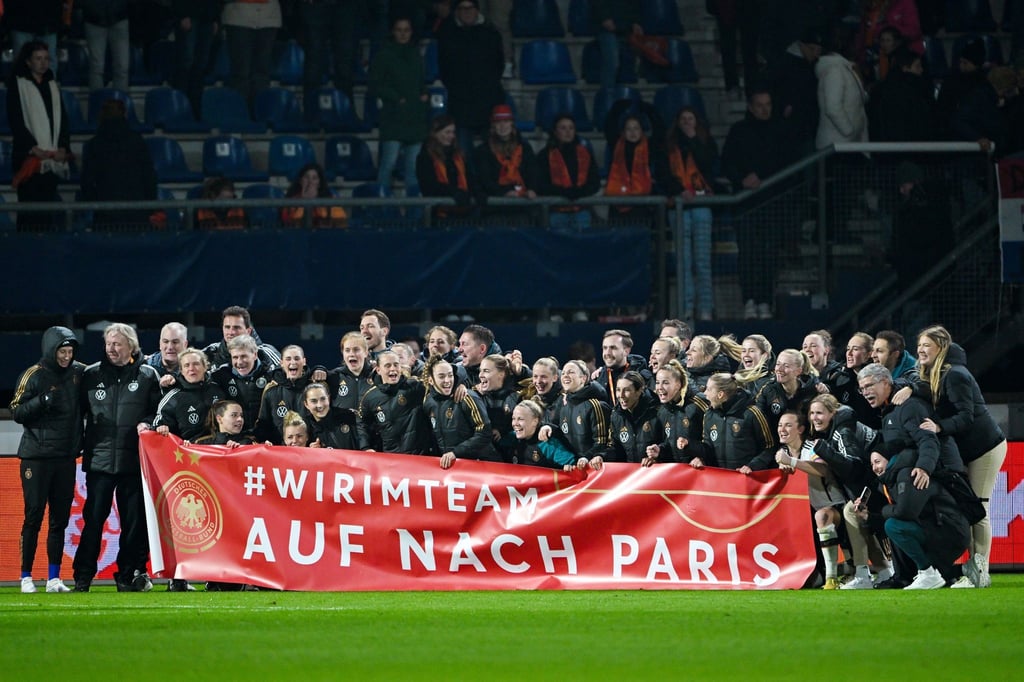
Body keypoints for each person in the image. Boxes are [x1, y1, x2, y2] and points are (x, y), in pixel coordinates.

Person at [902, 326, 1008, 588]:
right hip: (968, 449)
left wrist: (939, 427)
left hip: (985, 447)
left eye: (927, 345)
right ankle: (972, 569)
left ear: (941, 346)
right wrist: (911, 389)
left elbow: (966, 416)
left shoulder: (956, 375)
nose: (920, 350)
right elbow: (927, 391)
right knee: (966, 506)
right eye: (919, 346)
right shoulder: (935, 374)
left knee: (978, 508)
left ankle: (980, 572)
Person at [74, 323, 162, 592]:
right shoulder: (91, 375)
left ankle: (128, 575)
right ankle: (83, 576)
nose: (111, 349)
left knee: (133, 524)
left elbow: (158, 413)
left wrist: (147, 423)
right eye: (109, 344)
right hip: (99, 461)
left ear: (131, 347)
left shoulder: (148, 375)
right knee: (93, 521)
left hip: (134, 463)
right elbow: (77, 414)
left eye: (117, 344)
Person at [10, 327, 84, 593]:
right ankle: (26, 577)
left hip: (65, 457)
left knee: (60, 520)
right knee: (33, 516)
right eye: (62, 352)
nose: (66, 357)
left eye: (70, 351)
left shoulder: (79, 372)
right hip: (36, 458)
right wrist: (40, 402)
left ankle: (54, 578)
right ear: (50, 350)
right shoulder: (34, 375)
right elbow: (16, 411)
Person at [862, 449, 970, 590]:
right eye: (872, 464)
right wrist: (868, 517)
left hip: (949, 532)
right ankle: (965, 570)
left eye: (877, 462)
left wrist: (884, 511)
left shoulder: (908, 475)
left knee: (893, 526)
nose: (875, 468)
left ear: (890, 460)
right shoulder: (890, 481)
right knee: (893, 525)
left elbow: (905, 512)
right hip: (940, 529)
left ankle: (928, 573)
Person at [774, 410, 848, 588]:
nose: (782, 429)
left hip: (837, 505)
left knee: (821, 516)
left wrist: (792, 462)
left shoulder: (813, 447)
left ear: (800, 429)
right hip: (810, 509)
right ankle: (814, 572)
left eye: (788, 425)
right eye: (779, 425)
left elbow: (823, 470)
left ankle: (832, 577)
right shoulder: (782, 453)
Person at [657, 106, 718, 321]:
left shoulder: (706, 142)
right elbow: (662, 173)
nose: (687, 122)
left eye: (690, 118)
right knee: (684, 260)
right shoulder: (668, 147)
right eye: (683, 119)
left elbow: (709, 165)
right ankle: (686, 309)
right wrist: (678, 191)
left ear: (697, 121)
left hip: (701, 206)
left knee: (702, 260)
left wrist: (694, 141)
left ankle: (706, 309)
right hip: (679, 206)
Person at [6, 40, 71, 232]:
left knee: (45, 214)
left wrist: (62, 146)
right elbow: (16, 120)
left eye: (46, 59)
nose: (43, 63)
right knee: (29, 213)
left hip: (50, 160)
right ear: (28, 62)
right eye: (38, 59)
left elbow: (62, 120)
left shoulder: (52, 85)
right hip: (28, 158)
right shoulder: (18, 85)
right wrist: (33, 147)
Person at [436, 0, 506, 161]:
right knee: (463, 158)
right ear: (457, 12)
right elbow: (444, 68)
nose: (467, 12)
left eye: (470, 8)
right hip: (461, 106)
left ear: (477, 10)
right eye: (462, 8)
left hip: (488, 103)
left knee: (493, 158)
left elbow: (498, 65)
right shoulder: (447, 34)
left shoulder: (490, 33)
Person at [369, 15, 429, 191]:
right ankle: (381, 208)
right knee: (388, 165)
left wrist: (424, 94)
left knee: (413, 170)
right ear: (393, 32)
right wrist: (396, 98)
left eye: (406, 30)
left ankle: (415, 213)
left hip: (415, 119)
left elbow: (421, 81)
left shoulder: (416, 54)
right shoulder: (384, 56)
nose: (403, 34)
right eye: (399, 30)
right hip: (393, 118)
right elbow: (374, 85)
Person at [79, 99, 158, 231]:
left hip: (105, 215)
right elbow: (149, 177)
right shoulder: (137, 141)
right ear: (125, 114)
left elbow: (87, 182)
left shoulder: (93, 144)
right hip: (137, 214)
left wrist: (97, 203)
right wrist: (149, 207)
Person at [421, 355, 501, 468]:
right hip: (452, 468)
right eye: (441, 376)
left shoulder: (466, 397)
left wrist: (455, 453)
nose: (447, 380)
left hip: (480, 465)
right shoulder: (428, 402)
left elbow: (484, 432)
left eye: (450, 375)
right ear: (431, 380)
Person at [694, 372, 776, 473]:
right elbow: (707, 447)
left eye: (709, 389)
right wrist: (701, 458)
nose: (705, 393)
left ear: (720, 395)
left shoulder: (751, 413)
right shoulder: (709, 415)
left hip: (745, 480)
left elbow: (769, 447)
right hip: (718, 480)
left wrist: (752, 466)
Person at [357, 350, 432, 453]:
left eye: (396, 365)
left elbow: (440, 386)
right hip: (391, 459)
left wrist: (460, 383)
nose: (393, 369)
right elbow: (362, 424)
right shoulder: (370, 397)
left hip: (420, 457)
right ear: (378, 370)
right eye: (387, 365)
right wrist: (365, 447)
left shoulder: (416, 387)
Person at [537, 114, 601, 231]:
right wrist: (564, 193)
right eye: (563, 128)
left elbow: (594, 181)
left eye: (571, 128)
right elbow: (540, 184)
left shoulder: (585, 153)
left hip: (582, 211)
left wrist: (579, 192)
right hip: (556, 212)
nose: (568, 132)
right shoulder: (544, 155)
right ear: (555, 132)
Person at [297, 0, 360, 115]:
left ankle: (346, 111)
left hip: (345, 6)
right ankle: (310, 112)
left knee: (344, 63)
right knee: (314, 62)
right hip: (315, 6)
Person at [474, 104, 539, 215]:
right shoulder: (483, 150)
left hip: (523, 207)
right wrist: (504, 193)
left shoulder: (525, 148)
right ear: (493, 126)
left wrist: (532, 189)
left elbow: (533, 173)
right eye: (498, 122)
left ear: (512, 124)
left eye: (506, 121)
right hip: (494, 208)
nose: (502, 126)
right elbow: (485, 179)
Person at [603, 101, 661, 222]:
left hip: (641, 202)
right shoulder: (617, 144)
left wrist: (649, 110)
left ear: (641, 131)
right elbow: (609, 127)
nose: (633, 132)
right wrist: (617, 108)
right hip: (618, 201)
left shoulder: (649, 146)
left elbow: (660, 130)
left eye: (636, 128)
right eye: (628, 129)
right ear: (623, 132)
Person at [867, 47, 937, 142]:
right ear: (905, 68)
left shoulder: (880, 88)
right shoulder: (916, 89)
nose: (921, 70)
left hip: (884, 147)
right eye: (918, 66)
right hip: (911, 146)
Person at [154, 348, 225, 442]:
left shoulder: (218, 389)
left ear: (205, 367)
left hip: (220, 449)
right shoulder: (174, 397)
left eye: (196, 364)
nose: (191, 368)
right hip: (191, 453)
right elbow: (159, 422)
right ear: (181, 371)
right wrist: (160, 427)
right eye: (187, 365)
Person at [646, 360, 708, 467]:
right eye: (657, 382)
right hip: (678, 473)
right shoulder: (662, 410)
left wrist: (703, 458)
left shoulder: (698, 405)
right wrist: (660, 450)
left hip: (700, 471)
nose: (659, 387)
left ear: (678, 385)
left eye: (665, 383)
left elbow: (714, 442)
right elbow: (669, 444)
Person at [770, 29, 822, 155]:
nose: (816, 54)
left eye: (819, 51)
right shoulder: (785, 63)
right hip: (792, 126)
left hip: (806, 126)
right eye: (813, 49)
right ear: (802, 46)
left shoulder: (812, 65)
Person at [221, 0, 281, 107]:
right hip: (238, 17)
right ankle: (240, 114)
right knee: (241, 73)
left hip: (269, 18)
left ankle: (260, 113)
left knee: (262, 74)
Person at [210, 334, 275, 433]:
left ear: (255, 355)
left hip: (265, 439)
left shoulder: (271, 375)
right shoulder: (221, 376)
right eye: (235, 357)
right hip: (235, 440)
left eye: (243, 356)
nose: (239, 362)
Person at [416, 114, 475, 220]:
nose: (451, 136)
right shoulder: (425, 157)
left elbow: (470, 178)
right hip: (439, 217)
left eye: (453, 132)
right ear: (436, 133)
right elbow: (429, 186)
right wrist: (454, 193)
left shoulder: (458, 156)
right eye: (447, 132)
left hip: (463, 214)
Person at [170, 0, 223, 118]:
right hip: (190, 13)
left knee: (200, 65)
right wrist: (182, 14)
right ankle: (180, 107)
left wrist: (215, 17)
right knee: (186, 62)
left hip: (208, 16)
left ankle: (195, 108)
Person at [254, 344, 314, 444]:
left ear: (304, 362)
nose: (293, 362)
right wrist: (264, 442)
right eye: (288, 359)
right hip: (280, 454)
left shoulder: (314, 389)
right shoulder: (271, 392)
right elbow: (263, 426)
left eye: (296, 358)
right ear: (281, 363)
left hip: (310, 452)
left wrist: (319, 442)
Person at [556, 359, 612, 467]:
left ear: (583, 378)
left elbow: (602, 443)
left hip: (594, 470)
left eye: (571, 372)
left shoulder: (596, 405)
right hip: (574, 468)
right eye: (563, 373)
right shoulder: (564, 405)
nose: (565, 376)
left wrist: (585, 458)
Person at [814, 44, 868, 150]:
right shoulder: (835, 71)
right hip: (837, 144)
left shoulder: (846, 69)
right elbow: (832, 107)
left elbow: (859, 98)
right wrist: (849, 131)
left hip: (847, 142)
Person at [755, 348, 820, 432]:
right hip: (777, 441)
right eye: (778, 364)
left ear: (798, 371)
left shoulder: (812, 390)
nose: (779, 369)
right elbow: (758, 420)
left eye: (786, 366)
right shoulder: (768, 390)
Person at [202, 306, 281, 372]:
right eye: (227, 327)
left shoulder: (266, 354)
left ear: (248, 331)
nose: (231, 332)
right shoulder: (211, 352)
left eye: (236, 327)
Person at [608, 371, 660, 465]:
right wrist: (600, 456)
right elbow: (615, 448)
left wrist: (657, 458)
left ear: (639, 391)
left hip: (655, 474)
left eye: (627, 390)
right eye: (618, 390)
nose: (621, 395)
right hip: (632, 475)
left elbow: (668, 444)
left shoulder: (657, 412)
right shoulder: (616, 415)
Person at [593, 329, 652, 410]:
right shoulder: (599, 378)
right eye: (605, 348)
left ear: (626, 351)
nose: (607, 353)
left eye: (613, 348)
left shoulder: (641, 375)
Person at [475, 354, 520, 459]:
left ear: (501, 374)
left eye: (486, 371)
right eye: (480, 371)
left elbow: (522, 430)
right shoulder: (475, 395)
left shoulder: (515, 398)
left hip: (506, 459)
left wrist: (502, 433)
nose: (480, 375)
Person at [79, 0, 131, 92]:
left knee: (122, 66)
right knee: (96, 67)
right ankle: (96, 103)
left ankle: (120, 103)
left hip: (119, 17)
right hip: (94, 20)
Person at [510, 400, 576, 470]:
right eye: (513, 419)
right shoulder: (512, 438)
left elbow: (573, 464)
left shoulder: (546, 444)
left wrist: (569, 467)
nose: (515, 423)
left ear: (535, 421)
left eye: (520, 419)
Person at [593, 0, 642, 92]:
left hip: (626, 26)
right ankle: (608, 96)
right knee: (612, 62)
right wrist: (604, 17)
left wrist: (636, 21)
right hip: (605, 28)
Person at [281, 163, 348, 228]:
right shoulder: (291, 201)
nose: (310, 182)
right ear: (301, 181)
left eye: (314, 178)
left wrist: (315, 202)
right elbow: (290, 225)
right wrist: (304, 201)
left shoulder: (329, 199)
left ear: (319, 184)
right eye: (306, 177)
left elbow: (342, 223)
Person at [329, 331, 377, 415]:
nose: (351, 354)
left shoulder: (377, 375)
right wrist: (318, 369)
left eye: (356, 350)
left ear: (366, 352)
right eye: (347, 350)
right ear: (343, 353)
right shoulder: (334, 376)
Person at [304, 382, 359, 450]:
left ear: (329, 398)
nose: (320, 405)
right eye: (314, 401)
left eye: (323, 399)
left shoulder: (349, 417)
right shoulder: (304, 428)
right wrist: (310, 452)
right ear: (306, 404)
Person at [528, 356, 563, 422]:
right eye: (535, 376)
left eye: (543, 377)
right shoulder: (529, 396)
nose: (538, 381)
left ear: (555, 378)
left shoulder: (564, 401)